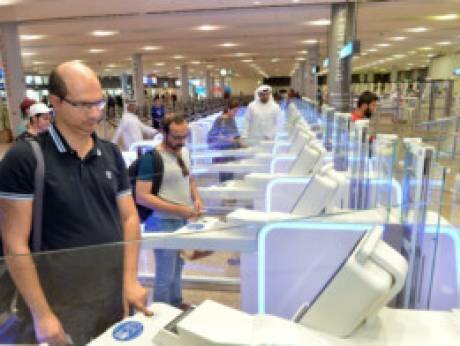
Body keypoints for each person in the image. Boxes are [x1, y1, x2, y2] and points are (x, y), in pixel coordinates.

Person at [0, 61, 151, 345]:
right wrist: (41, 314)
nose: (95, 113)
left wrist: (130, 279)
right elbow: (14, 244)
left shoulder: (110, 154)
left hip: (111, 295)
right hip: (59, 304)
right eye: (83, 105)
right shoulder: (26, 158)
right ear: (55, 101)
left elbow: (130, 218)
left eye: (99, 103)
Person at [135, 114, 203, 308]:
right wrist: (178, 209)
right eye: (176, 137)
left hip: (181, 220)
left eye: (184, 136)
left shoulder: (185, 152)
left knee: (178, 266)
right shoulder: (152, 158)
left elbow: (189, 178)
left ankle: (176, 303)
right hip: (161, 222)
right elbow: (142, 196)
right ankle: (161, 314)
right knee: (165, 272)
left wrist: (196, 198)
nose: (181, 141)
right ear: (164, 133)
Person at [207, 99, 242, 182]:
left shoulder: (231, 119)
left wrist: (239, 140)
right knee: (224, 173)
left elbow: (235, 133)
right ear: (229, 109)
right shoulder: (220, 120)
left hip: (231, 150)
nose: (235, 114)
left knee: (230, 172)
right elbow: (215, 135)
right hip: (223, 151)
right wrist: (228, 139)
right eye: (234, 111)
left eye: (237, 112)